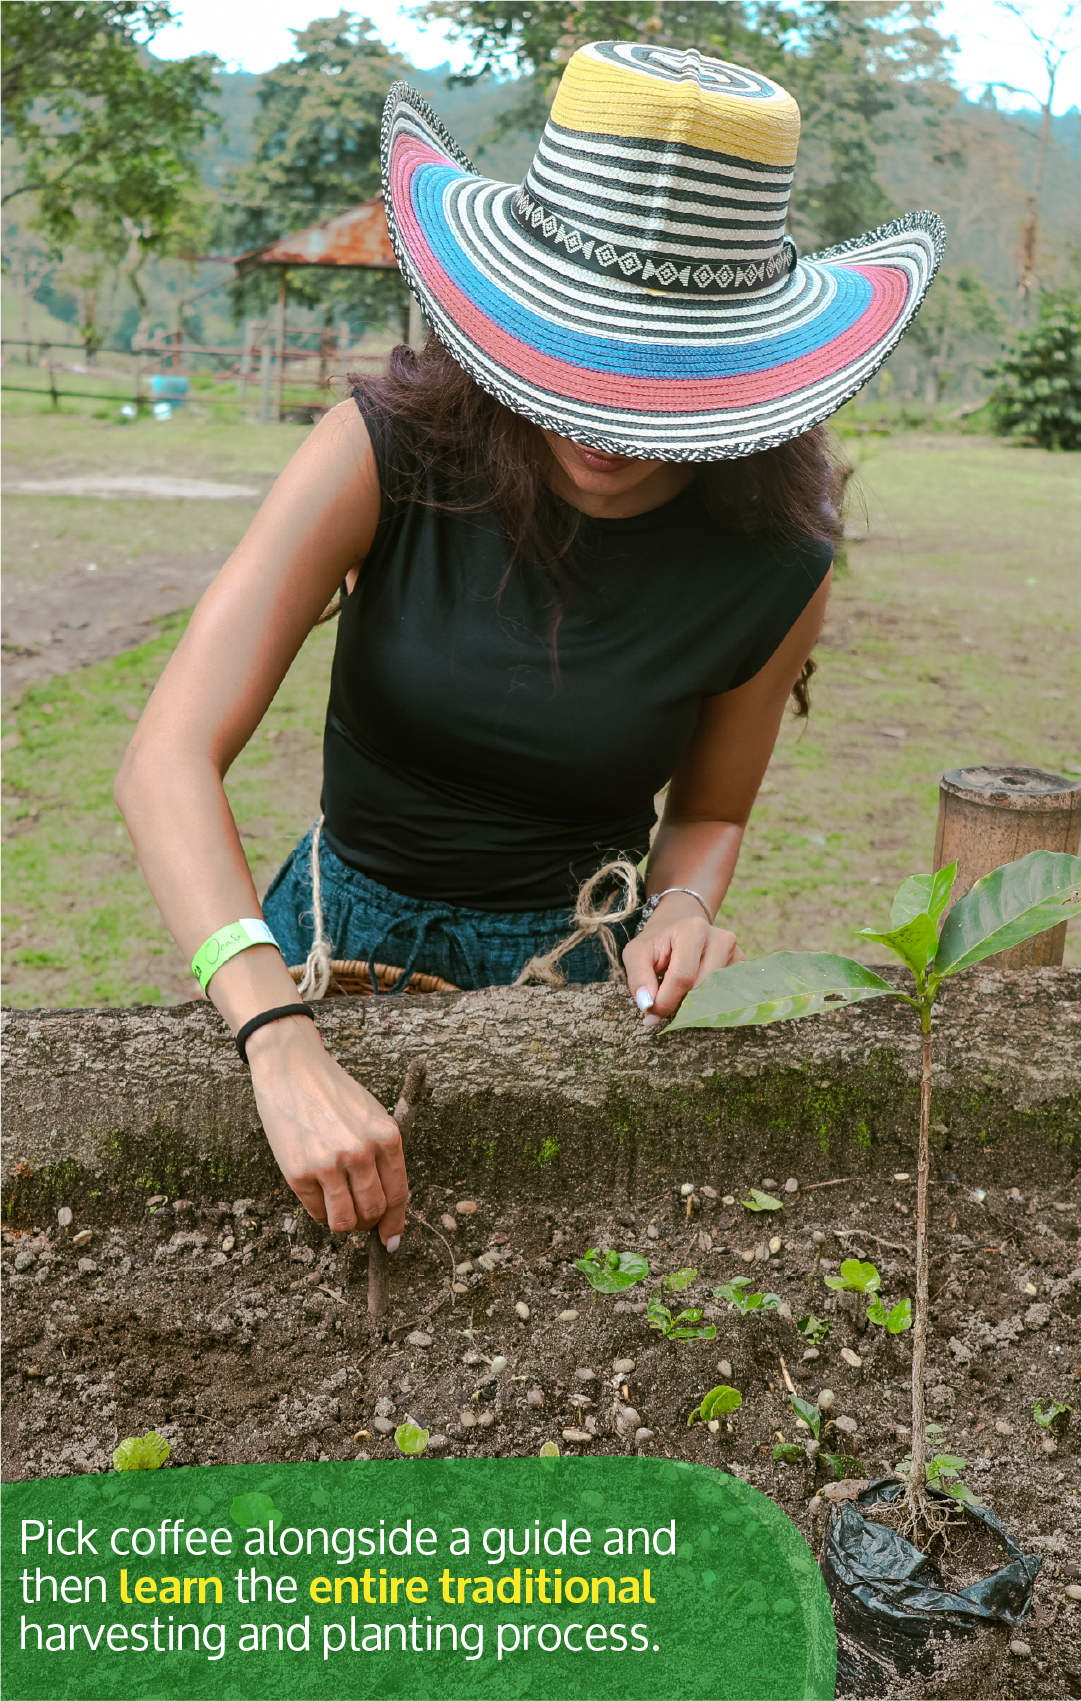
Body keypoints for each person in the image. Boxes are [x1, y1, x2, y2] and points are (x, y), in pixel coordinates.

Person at [115, 41, 943, 1258]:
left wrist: (680, 907)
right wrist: (274, 1037)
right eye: (577, 354)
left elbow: (708, 813)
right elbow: (165, 756)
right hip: (319, 944)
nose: (601, 424)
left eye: (656, 375)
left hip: (570, 979)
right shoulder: (384, 453)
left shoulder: (774, 564)